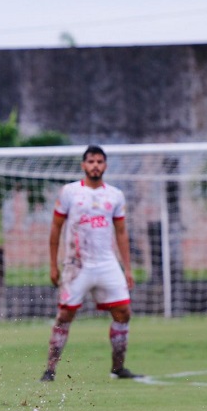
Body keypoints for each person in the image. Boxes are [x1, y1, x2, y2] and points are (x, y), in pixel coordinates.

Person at [40, 145, 141, 382]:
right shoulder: (69, 192)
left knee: (124, 312)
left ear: (105, 166)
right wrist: (54, 265)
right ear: (83, 165)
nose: (95, 165)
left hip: (107, 263)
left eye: (99, 162)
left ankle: (118, 368)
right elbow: (56, 228)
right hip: (77, 265)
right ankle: (50, 370)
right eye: (91, 161)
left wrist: (127, 268)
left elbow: (122, 232)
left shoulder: (115, 195)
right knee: (64, 315)